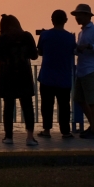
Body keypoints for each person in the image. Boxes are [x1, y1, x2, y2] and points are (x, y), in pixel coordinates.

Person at [0, 14, 38, 146]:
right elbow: (34, 56)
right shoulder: (27, 36)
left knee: (8, 107)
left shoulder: (2, 39)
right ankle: (30, 137)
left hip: (7, 76)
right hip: (24, 75)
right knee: (28, 106)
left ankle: (9, 137)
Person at [36, 10, 76, 139]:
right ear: (65, 21)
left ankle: (47, 130)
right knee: (64, 105)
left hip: (47, 76)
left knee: (47, 105)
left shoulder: (45, 35)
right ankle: (65, 131)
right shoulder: (70, 37)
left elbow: (40, 52)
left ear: (52, 20)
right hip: (64, 76)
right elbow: (73, 50)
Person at [72, 3, 94, 139]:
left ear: (87, 16)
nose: (77, 18)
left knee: (92, 101)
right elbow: (79, 50)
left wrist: (90, 46)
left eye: (79, 15)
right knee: (80, 99)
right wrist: (77, 49)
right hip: (82, 70)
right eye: (76, 15)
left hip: (92, 69)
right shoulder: (81, 33)